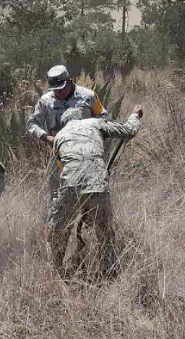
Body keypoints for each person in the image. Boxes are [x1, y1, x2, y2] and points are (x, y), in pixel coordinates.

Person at [48, 104, 143, 280]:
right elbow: (129, 131)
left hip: (70, 188)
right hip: (97, 186)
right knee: (105, 233)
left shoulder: (59, 137)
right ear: (80, 118)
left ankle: (57, 272)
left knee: (59, 231)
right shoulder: (94, 123)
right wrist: (134, 115)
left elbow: (62, 169)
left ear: (64, 123)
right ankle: (109, 275)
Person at [27, 65, 109, 221]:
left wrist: (94, 137)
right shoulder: (45, 101)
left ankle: (89, 224)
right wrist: (46, 137)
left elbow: (104, 118)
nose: (59, 92)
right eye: (56, 89)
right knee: (58, 195)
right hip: (58, 157)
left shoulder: (88, 96)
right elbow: (32, 124)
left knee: (91, 191)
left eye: (62, 88)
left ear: (70, 81)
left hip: (86, 156)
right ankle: (58, 230)